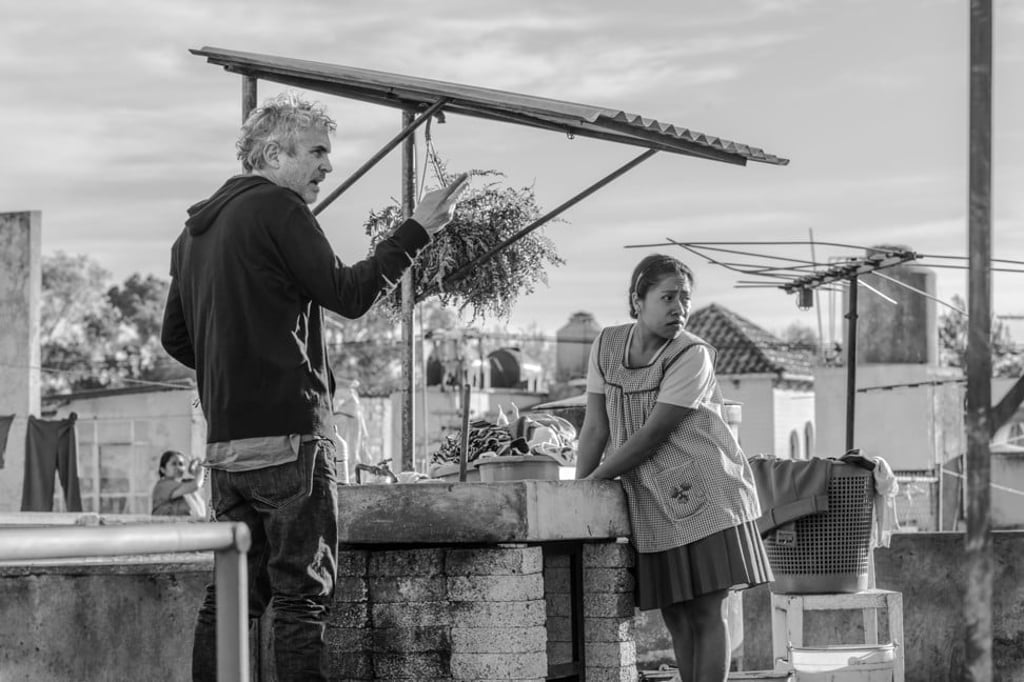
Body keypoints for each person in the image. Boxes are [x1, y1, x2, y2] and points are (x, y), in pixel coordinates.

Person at [160, 91, 468, 682]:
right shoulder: (279, 210)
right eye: (318, 152)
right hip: (291, 445)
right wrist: (417, 230)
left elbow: (177, 337)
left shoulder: (191, 233)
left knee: (230, 601)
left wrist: (233, 373)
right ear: (274, 155)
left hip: (226, 452)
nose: (328, 166)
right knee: (302, 601)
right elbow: (349, 295)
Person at [574, 253, 772, 682]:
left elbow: (651, 436)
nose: (678, 308)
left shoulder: (692, 355)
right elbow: (594, 428)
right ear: (637, 300)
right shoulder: (605, 346)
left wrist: (596, 480)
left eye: (685, 298)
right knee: (676, 617)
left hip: (707, 494)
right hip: (652, 500)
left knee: (705, 611)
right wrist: (577, 494)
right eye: (667, 297)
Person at [151, 449, 207, 519]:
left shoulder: (184, 483)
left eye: (181, 464)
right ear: (163, 469)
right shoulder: (162, 486)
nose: (178, 467)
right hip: (167, 528)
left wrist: (195, 472)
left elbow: (203, 483)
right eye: (174, 464)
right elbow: (195, 485)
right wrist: (200, 470)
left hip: (187, 528)